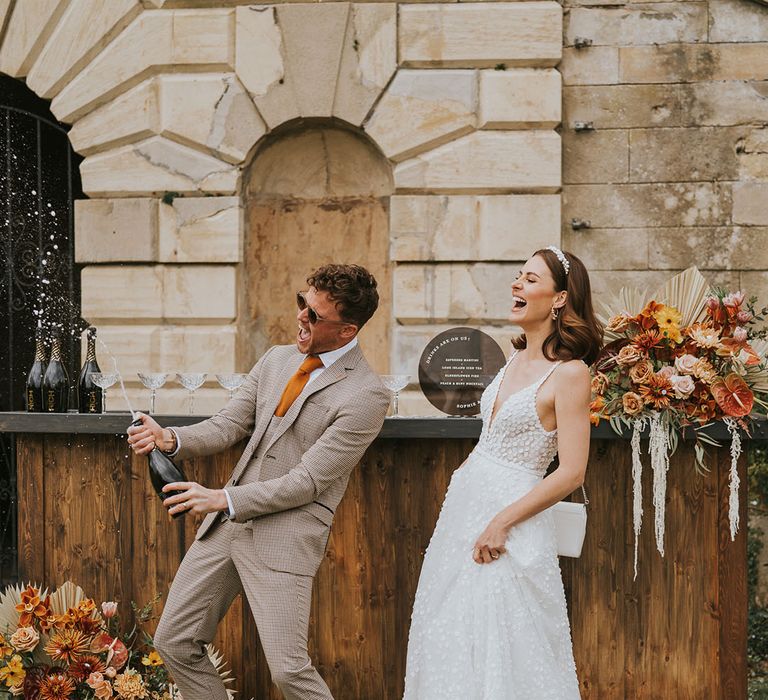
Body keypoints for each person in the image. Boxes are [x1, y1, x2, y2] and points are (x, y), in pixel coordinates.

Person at [127, 264, 390, 700]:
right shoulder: (276, 359)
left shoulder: (367, 396)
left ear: (346, 331)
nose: (302, 317)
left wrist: (223, 498)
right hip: (226, 529)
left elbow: (307, 482)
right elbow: (228, 424)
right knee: (174, 641)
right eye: (302, 303)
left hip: (283, 536)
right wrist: (169, 437)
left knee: (288, 672)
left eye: (315, 315)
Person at [403, 247, 603, 699]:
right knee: (447, 636)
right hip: (463, 513)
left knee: (505, 643)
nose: (516, 285)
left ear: (558, 299)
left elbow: (571, 471)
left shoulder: (570, 374)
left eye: (530, 279)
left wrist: (501, 522)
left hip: (510, 521)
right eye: (518, 276)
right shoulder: (512, 360)